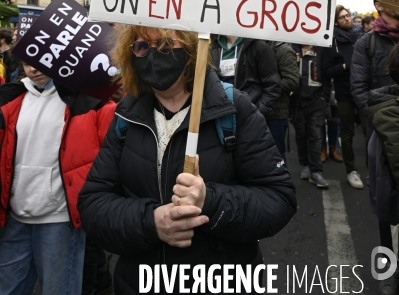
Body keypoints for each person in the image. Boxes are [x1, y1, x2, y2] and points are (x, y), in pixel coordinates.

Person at [78, 26, 297, 295]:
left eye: (167, 45)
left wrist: (210, 201)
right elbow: (92, 204)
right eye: (142, 46)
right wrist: (151, 222)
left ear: (192, 51)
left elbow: (278, 199)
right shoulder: (126, 115)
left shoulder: (234, 109)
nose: (153, 54)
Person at [0, 62, 116, 294]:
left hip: (60, 221)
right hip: (14, 219)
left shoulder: (86, 100)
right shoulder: (10, 99)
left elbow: (114, 140)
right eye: (27, 62)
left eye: (41, 61)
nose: (33, 68)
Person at [351, 0, 399, 294]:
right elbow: (358, 89)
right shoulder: (366, 43)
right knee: (386, 202)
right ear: (380, 5)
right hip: (382, 129)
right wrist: (383, 115)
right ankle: (387, 267)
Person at [210, 34, 284, 157]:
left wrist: (255, 113)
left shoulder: (258, 47)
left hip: (248, 119)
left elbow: (273, 86)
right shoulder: (213, 48)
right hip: (220, 117)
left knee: (251, 161)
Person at [322, 5, 364, 188]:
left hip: (364, 90)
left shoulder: (361, 37)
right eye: (342, 17)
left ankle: (377, 169)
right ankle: (351, 170)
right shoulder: (332, 43)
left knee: (371, 130)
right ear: (336, 23)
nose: (347, 19)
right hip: (345, 92)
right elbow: (326, 70)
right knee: (347, 132)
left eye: (348, 16)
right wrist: (343, 67)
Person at [290, 43, 330, 188]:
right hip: (297, 101)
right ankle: (305, 164)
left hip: (316, 100)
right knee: (301, 134)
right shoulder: (291, 48)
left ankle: (316, 171)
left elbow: (326, 73)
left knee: (315, 135)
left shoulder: (322, 49)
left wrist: (324, 97)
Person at [266, 40, 300, 164]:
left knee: (276, 157)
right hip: (256, 111)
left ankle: (281, 183)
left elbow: (292, 81)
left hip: (275, 114)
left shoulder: (283, 50)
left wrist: (265, 89)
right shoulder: (250, 47)